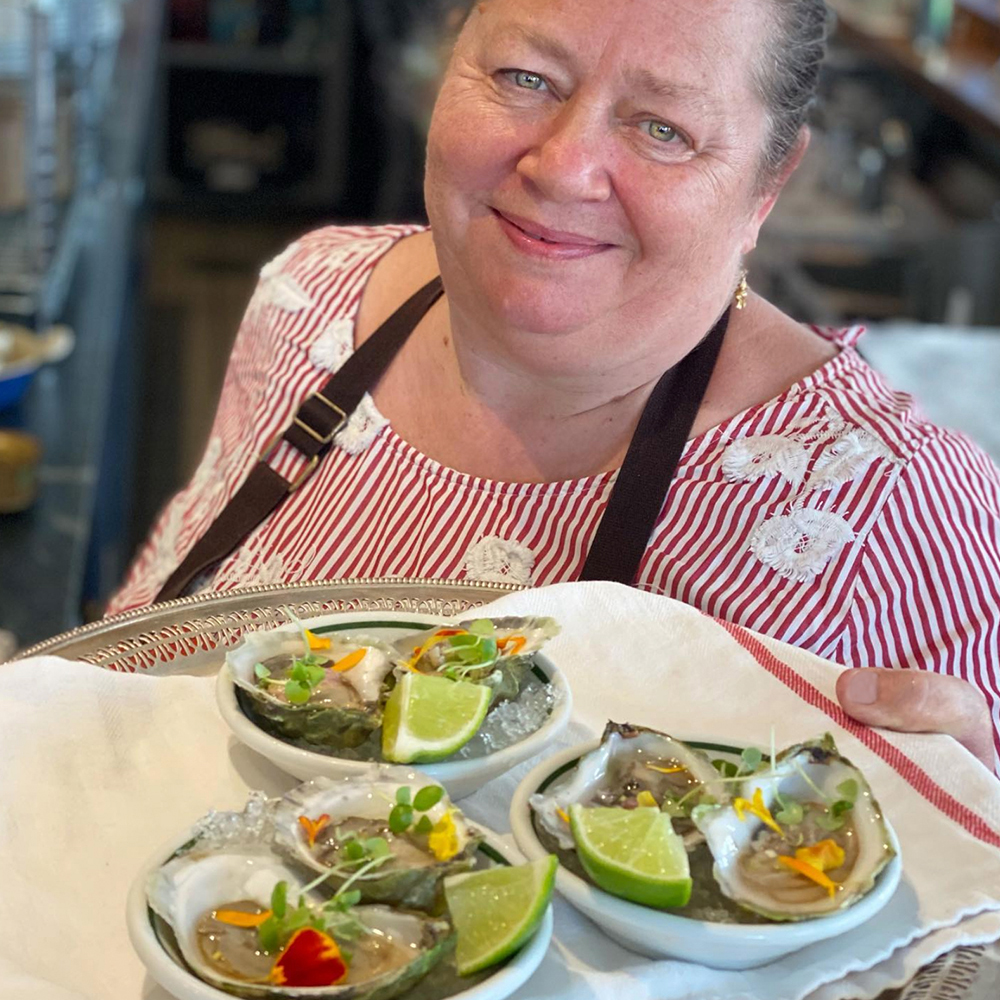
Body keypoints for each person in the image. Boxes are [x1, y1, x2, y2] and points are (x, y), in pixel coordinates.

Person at [108, 0, 1000, 769]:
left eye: (664, 128)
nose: (563, 167)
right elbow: (127, 652)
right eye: (525, 77)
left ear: (769, 183)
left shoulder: (896, 509)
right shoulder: (311, 301)